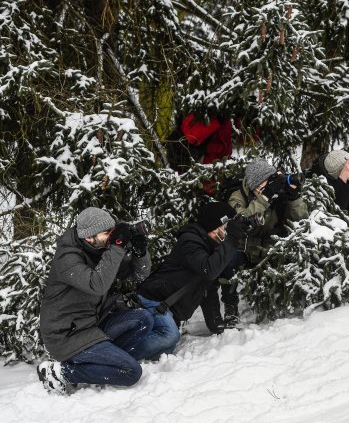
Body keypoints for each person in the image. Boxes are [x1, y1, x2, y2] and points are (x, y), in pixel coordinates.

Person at [38, 207, 153, 394]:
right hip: (67, 336)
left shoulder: (99, 249)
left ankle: (101, 360)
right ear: (89, 237)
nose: (111, 237)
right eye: (107, 233)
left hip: (91, 325)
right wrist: (116, 246)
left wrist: (141, 253)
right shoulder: (67, 258)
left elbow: (137, 276)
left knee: (144, 319)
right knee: (131, 371)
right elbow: (97, 284)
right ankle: (62, 372)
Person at [136, 202, 250, 340]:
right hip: (152, 302)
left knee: (170, 337)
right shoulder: (190, 241)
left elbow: (208, 290)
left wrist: (217, 326)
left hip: (167, 309)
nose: (229, 230)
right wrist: (232, 239)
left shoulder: (209, 246)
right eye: (227, 226)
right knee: (169, 338)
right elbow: (209, 270)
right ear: (215, 228)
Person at [228, 158, 309, 266]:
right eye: (269, 181)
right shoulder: (237, 197)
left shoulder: (279, 194)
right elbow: (242, 222)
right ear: (256, 185)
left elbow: (300, 224)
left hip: (273, 255)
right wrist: (265, 197)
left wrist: (294, 199)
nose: (273, 184)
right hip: (245, 255)